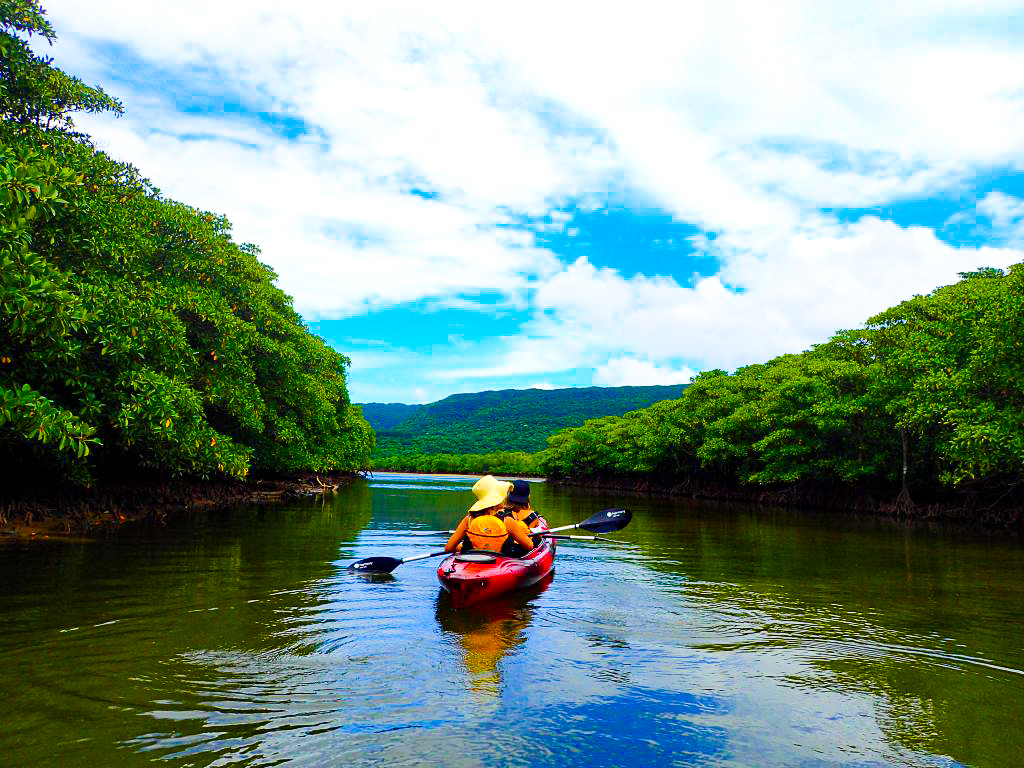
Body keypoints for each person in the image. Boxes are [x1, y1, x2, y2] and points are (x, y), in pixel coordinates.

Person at [445, 475, 535, 556]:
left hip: (471, 561)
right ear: (495, 500)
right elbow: (529, 546)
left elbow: (449, 548)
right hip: (498, 565)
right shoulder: (507, 521)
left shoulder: (468, 520)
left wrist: (467, 548)